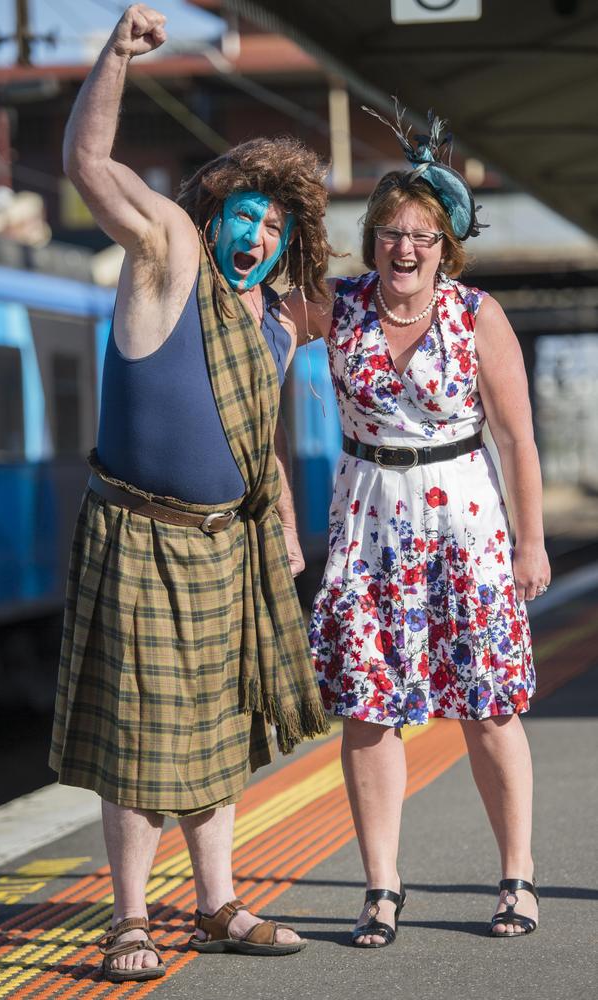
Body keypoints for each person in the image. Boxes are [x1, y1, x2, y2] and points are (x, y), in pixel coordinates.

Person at [48, 4, 330, 983]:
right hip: (137, 532)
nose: (255, 239)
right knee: (138, 739)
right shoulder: (165, 252)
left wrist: (288, 525)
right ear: (215, 215)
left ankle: (215, 905)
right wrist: (113, 57)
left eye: (274, 229)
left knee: (219, 734)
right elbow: (89, 163)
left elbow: (263, 443)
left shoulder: (281, 327)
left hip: (228, 545)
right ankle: (129, 916)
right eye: (245, 219)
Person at [284, 102, 550, 946]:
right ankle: (382, 889)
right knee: (368, 708)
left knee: (488, 706)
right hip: (368, 526)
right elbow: (256, 330)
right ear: (373, 240)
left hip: (465, 530)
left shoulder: (478, 317)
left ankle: (516, 875)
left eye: (422, 236)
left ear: (446, 247)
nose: (406, 248)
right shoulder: (336, 305)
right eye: (392, 233)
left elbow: (515, 437)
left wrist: (532, 541)